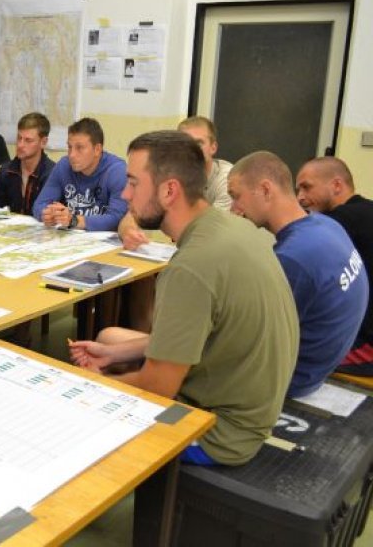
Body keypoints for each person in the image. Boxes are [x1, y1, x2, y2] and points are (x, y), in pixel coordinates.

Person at [69, 131, 298, 466]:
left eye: (133, 183)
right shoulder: (232, 228)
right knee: (110, 340)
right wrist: (115, 354)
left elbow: (157, 387)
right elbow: (197, 335)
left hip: (220, 434)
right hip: (252, 407)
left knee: (81, 411)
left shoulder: (191, 267)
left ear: (169, 190)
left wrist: (96, 385)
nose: (125, 193)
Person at [228, 151, 367, 396]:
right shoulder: (326, 225)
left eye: (236, 196)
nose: (233, 209)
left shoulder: (292, 258)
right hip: (321, 364)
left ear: (265, 189)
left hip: (293, 379)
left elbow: (247, 342)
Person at [297, 157, 373, 375]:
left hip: (367, 346)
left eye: (307, 187)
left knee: (291, 356)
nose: (300, 197)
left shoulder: (337, 221)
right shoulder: (366, 209)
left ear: (337, 185)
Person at [120, 116, 232, 249]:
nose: (191, 150)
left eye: (198, 144)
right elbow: (136, 211)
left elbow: (211, 230)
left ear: (213, 147)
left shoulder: (227, 180)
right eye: (184, 145)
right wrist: (128, 232)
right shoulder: (171, 173)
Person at [32, 117, 128, 231]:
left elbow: (117, 219)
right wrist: (48, 214)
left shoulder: (117, 171)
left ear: (97, 150)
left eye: (79, 148)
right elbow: (39, 205)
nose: (71, 155)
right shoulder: (64, 165)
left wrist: (74, 220)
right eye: (69, 147)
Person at [0, 112, 55, 216]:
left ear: (43, 142)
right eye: (19, 138)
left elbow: (52, 216)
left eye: (28, 140)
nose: (20, 145)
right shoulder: (4, 172)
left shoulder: (53, 174)